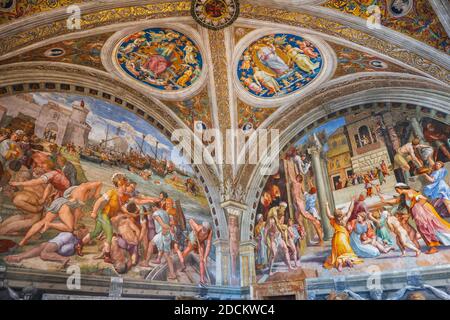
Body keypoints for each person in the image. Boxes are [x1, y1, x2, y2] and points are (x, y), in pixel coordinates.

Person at [380, 183, 450, 254]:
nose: (397, 192)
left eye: (397, 190)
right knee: (427, 228)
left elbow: (424, 199)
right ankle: (434, 244)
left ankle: (433, 247)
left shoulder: (411, 192)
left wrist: (418, 206)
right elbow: (396, 201)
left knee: (427, 228)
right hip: (418, 213)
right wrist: (385, 201)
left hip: (422, 213)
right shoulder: (403, 195)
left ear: (400, 188)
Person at [80, 173, 130, 263]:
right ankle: (107, 257)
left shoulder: (124, 197)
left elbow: (122, 207)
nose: (126, 188)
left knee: (95, 233)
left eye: (126, 185)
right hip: (103, 215)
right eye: (124, 185)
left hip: (107, 217)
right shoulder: (111, 192)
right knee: (109, 233)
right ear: (119, 185)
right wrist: (94, 212)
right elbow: (99, 201)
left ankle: (79, 245)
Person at [5, 226, 89, 268]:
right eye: (83, 232)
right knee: (43, 245)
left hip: (62, 247)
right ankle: (20, 257)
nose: (85, 234)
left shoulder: (71, 236)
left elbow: (79, 243)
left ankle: (62, 259)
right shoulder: (72, 236)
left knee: (44, 254)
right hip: (64, 247)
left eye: (84, 232)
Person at [323, 199, 363, 271]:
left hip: (336, 239)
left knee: (338, 254)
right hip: (343, 238)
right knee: (347, 252)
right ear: (341, 214)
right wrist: (352, 201)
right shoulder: (344, 219)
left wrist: (326, 206)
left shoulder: (333, 220)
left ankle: (340, 263)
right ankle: (345, 260)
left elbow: (328, 214)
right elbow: (350, 211)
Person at [142, 204, 177, 280]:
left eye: (152, 208)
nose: (152, 210)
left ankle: (146, 263)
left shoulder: (156, 213)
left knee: (151, 244)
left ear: (154, 207)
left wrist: (169, 228)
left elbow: (163, 225)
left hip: (163, 233)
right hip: (167, 235)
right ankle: (173, 274)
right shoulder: (165, 212)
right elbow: (170, 223)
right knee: (167, 255)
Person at [183, 219, 212, 285]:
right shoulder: (198, 227)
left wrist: (205, 257)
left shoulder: (210, 232)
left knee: (202, 260)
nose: (205, 231)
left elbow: (208, 245)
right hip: (194, 238)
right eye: (204, 229)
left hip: (201, 242)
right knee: (186, 251)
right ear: (202, 227)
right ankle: (182, 263)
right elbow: (190, 220)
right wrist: (193, 228)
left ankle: (202, 278)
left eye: (206, 230)